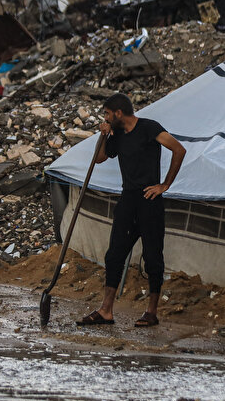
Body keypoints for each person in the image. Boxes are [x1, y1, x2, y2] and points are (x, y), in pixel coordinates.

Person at [76, 93, 186, 328]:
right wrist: (103, 136)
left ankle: (152, 311)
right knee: (114, 254)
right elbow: (99, 158)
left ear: (118, 113)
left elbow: (179, 150)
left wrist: (164, 185)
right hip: (128, 199)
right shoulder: (117, 135)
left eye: (107, 113)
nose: (104, 117)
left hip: (149, 199)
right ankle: (106, 310)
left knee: (153, 257)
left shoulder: (149, 128)